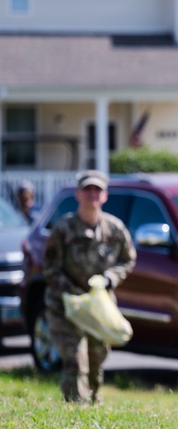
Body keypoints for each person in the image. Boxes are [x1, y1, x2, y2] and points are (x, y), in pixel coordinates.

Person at [43, 170, 136, 404]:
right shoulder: (63, 229)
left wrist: (110, 278)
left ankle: (94, 403)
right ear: (78, 194)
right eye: (87, 190)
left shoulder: (114, 229)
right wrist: (73, 292)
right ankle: (76, 409)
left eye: (97, 190)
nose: (92, 194)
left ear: (104, 196)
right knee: (76, 358)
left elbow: (127, 260)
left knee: (96, 356)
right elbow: (50, 267)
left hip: (98, 307)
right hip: (66, 306)